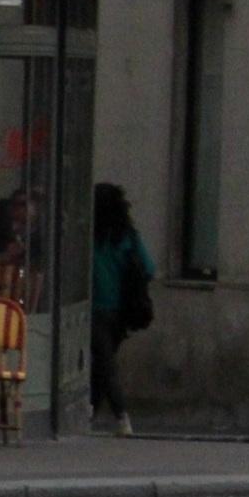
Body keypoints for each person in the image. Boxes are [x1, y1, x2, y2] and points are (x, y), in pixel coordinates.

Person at [90, 181, 155, 437]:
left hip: (94, 307)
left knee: (103, 365)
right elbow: (148, 268)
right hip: (120, 311)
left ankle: (120, 416)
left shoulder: (88, 236)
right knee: (103, 363)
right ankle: (92, 413)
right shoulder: (127, 237)